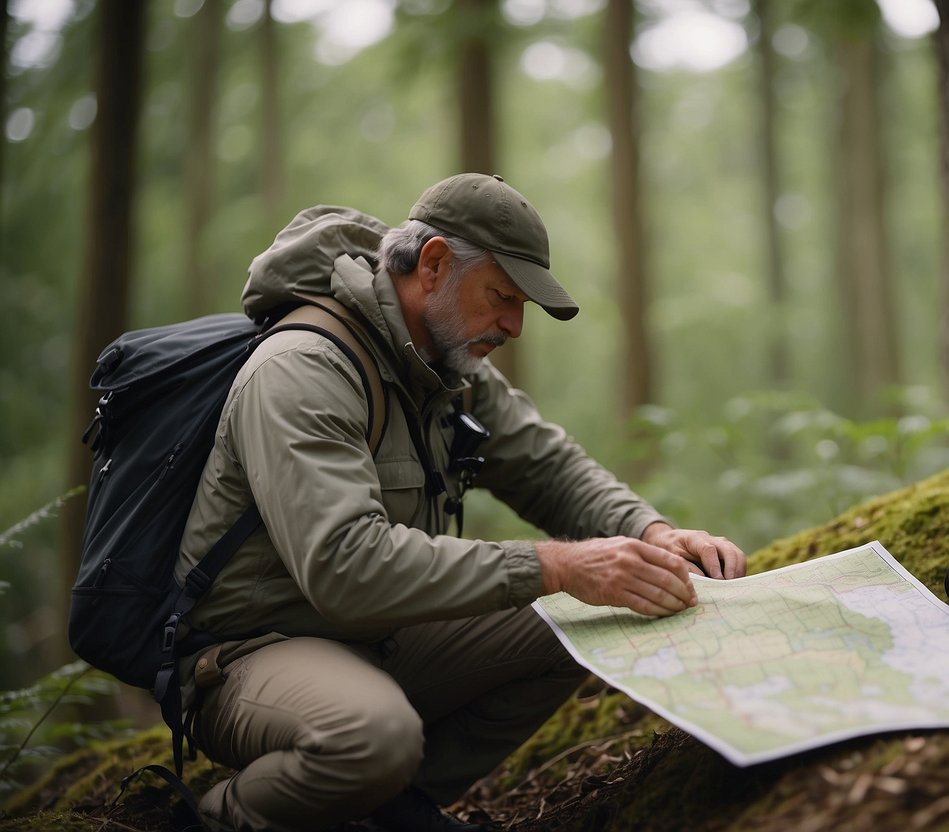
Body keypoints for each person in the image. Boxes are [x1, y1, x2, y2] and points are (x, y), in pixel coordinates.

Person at [174, 173, 746, 832]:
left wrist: (650, 532)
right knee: (370, 737)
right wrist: (556, 566)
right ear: (435, 264)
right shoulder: (302, 368)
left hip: (378, 636)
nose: (513, 325)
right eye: (502, 296)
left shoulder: (447, 367)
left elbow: (547, 468)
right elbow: (343, 568)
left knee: (590, 623)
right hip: (254, 653)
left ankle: (382, 809)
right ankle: (217, 819)